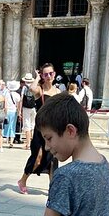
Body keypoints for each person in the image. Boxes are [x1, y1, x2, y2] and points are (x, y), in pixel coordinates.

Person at [17, 63, 62, 194]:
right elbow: (31, 89)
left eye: (51, 73)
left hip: (53, 129)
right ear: (43, 75)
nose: (49, 76)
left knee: (52, 158)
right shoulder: (40, 90)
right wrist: (37, 77)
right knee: (37, 157)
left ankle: (52, 186)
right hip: (40, 130)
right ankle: (23, 180)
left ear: (54, 74)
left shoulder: (58, 92)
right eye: (46, 74)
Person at [19, 73, 37, 150]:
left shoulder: (24, 88)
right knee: (33, 125)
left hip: (26, 108)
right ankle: (34, 143)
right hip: (33, 108)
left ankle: (28, 144)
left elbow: (21, 99)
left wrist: (19, 110)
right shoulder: (34, 86)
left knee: (27, 126)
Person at [3, 81, 21, 148]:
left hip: (7, 111)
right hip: (14, 111)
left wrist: (5, 112)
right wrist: (19, 112)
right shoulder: (17, 95)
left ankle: (4, 139)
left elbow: (5, 105)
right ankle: (11, 142)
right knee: (12, 126)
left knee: (5, 126)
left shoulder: (6, 94)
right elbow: (18, 105)